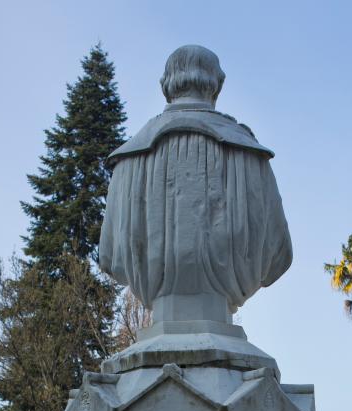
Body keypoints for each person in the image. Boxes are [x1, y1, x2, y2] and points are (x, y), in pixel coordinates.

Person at [99, 45, 292, 322]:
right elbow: (279, 255)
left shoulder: (127, 160)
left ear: (165, 86)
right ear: (218, 85)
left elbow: (108, 257)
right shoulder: (251, 155)